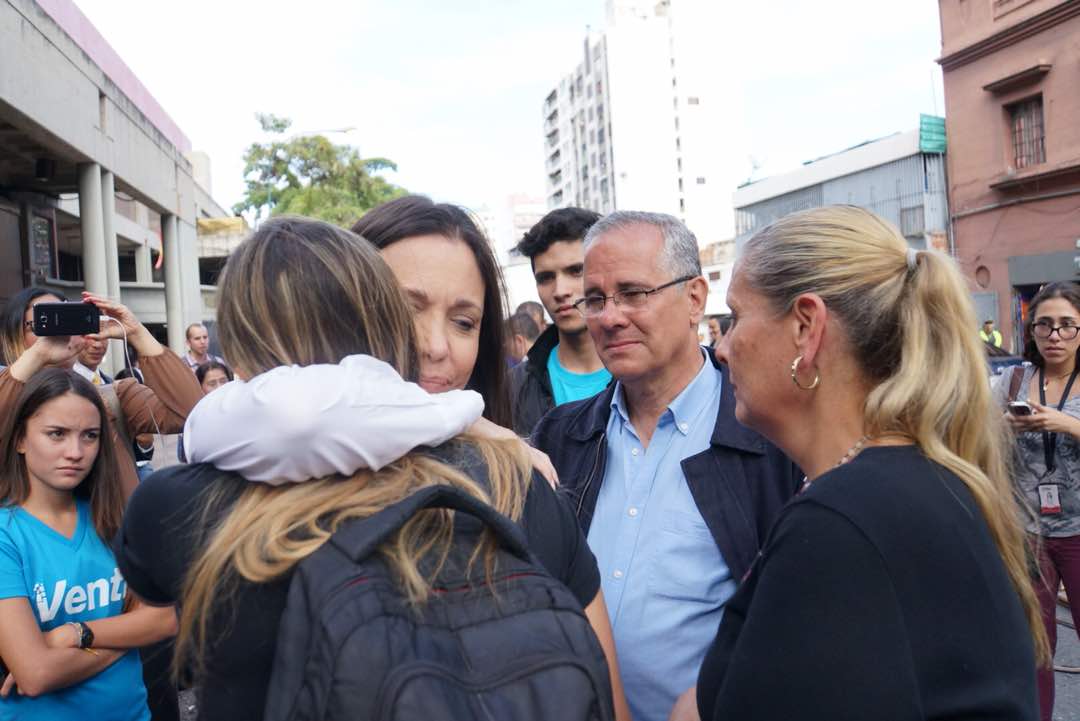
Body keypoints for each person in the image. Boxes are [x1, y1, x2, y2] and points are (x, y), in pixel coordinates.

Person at [114, 217, 630, 721]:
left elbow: (275, 417)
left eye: (465, 322)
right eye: (410, 309)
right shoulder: (517, 480)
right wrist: (464, 420)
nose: (434, 345)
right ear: (376, 312)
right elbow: (606, 698)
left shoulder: (183, 506)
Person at [681, 205, 1043, 720]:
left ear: (806, 327)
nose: (722, 349)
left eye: (735, 318)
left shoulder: (841, 524)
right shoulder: (916, 481)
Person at [529, 211, 800, 721]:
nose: (609, 318)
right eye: (595, 299)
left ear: (695, 298)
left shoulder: (767, 439)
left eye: (633, 293)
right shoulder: (560, 439)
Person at [0, 368, 177, 719]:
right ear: (20, 439)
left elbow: (164, 620)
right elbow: (36, 673)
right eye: (56, 434)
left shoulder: (112, 517)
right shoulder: (7, 535)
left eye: (90, 436)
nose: (75, 451)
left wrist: (74, 633)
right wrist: (123, 637)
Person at [1, 290, 202, 499]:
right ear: (13, 337)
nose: (57, 332)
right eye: (44, 323)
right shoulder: (9, 402)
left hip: (113, 528)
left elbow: (193, 412)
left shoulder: (116, 396)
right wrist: (38, 356)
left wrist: (137, 333)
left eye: (66, 319)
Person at [352, 195, 513, 427]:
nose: (436, 347)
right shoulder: (292, 453)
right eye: (404, 311)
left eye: (463, 323)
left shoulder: (514, 461)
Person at [996, 282, 1080, 721]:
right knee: (1036, 649)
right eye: (1045, 324)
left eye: (1067, 325)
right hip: (1028, 532)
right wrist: (1002, 430)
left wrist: (1067, 423)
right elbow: (978, 436)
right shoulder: (1013, 379)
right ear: (1031, 330)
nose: (1055, 335)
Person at [510, 207, 612, 436]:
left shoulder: (646, 373)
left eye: (576, 271)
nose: (560, 291)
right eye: (546, 278)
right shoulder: (514, 388)